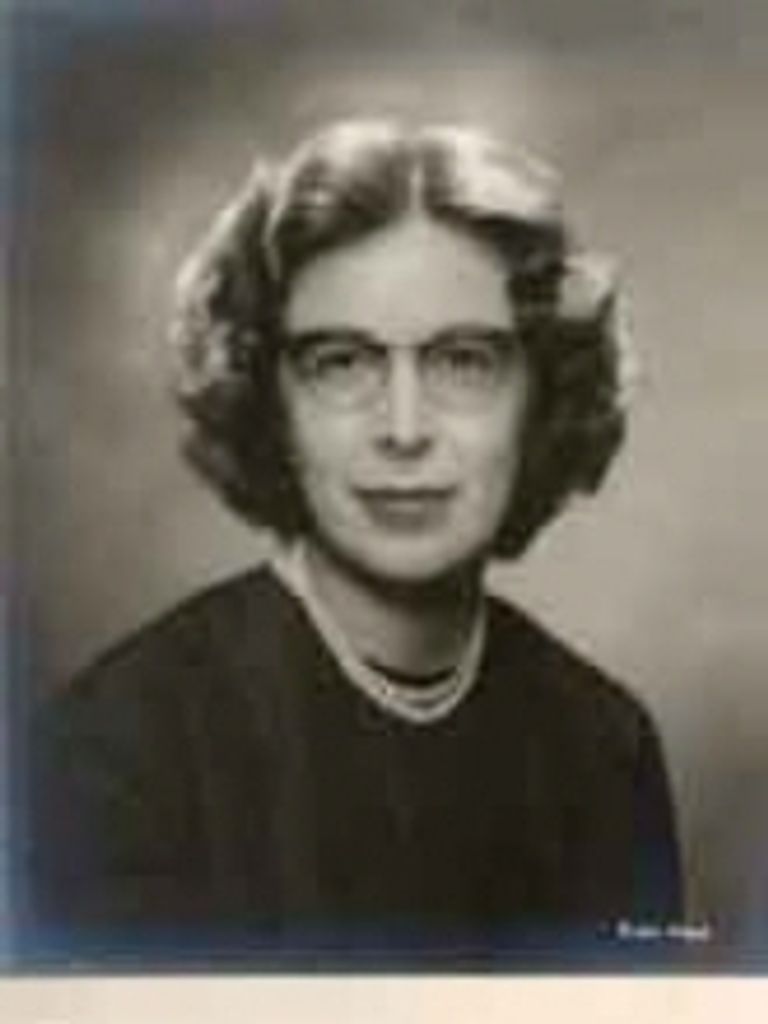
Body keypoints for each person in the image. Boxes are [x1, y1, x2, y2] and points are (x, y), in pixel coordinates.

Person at [23, 120, 682, 968]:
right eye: (340, 363)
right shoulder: (117, 752)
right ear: (270, 404)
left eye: (464, 361)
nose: (403, 430)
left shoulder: (606, 746)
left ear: (543, 398)